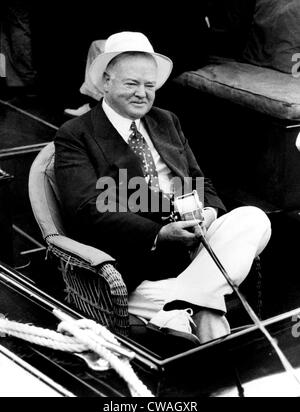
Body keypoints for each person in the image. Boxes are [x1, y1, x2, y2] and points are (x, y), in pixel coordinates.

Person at [54, 31, 271, 345]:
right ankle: (194, 319)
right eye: (131, 83)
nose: (142, 93)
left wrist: (209, 212)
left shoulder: (166, 120)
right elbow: (87, 209)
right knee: (209, 310)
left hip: (197, 246)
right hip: (141, 264)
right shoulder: (76, 134)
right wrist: (157, 235)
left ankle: (180, 305)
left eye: (150, 85)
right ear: (106, 82)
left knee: (254, 218)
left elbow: (200, 181)